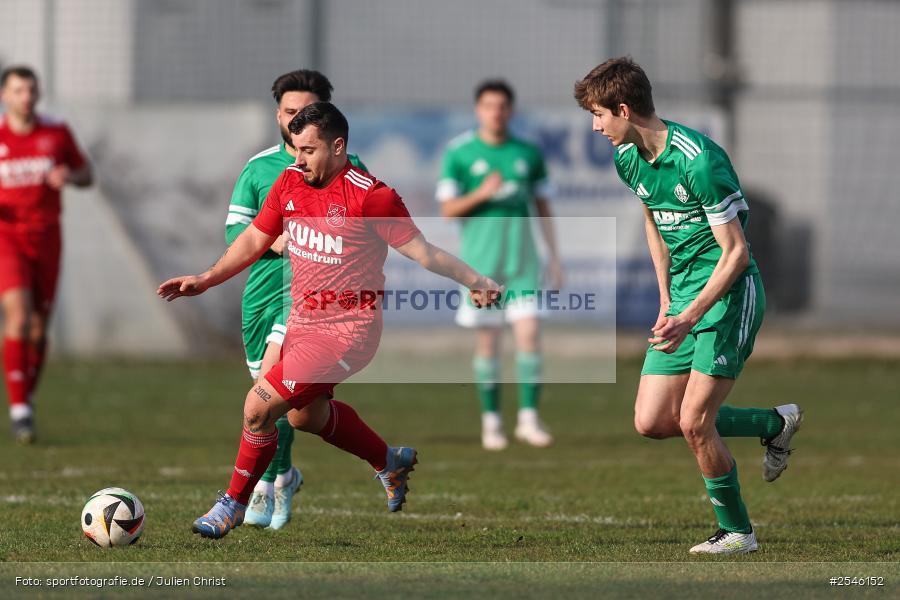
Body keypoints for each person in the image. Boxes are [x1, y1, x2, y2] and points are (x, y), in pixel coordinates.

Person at [159, 102, 501, 539]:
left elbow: (424, 251)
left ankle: (233, 505)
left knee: (258, 406)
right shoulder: (287, 183)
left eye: (307, 150)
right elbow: (253, 240)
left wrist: (475, 280)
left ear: (338, 147)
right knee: (304, 417)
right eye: (294, 149)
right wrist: (206, 279)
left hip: (347, 332)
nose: (297, 160)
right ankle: (388, 460)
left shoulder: (372, 196)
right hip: (303, 323)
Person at [574, 57, 803, 554]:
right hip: (682, 303)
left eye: (598, 115)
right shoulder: (628, 157)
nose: (594, 126)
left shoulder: (699, 161)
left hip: (727, 296)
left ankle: (739, 533)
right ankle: (773, 423)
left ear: (623, 108)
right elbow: (654, 223)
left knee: (695, 421)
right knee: (653, 422)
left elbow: (736, 254)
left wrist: (691, 314)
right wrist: (666, 303)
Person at [226, 69, 368, 530]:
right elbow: (236, 233)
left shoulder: (353, 171)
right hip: (264, 292)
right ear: (278, 115)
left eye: (304, 114)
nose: (294, 123)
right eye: (289, 114)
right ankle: (283, 473)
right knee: (283, 403)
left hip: (315, 301)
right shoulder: (259, 169)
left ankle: (265, 487)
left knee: (270, 386)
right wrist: (272, 241)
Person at [436, 79, 561, 451]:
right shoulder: (460, 153)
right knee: (489, 343)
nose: (496, 112)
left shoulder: (527, 153)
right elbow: (447, 209)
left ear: (511, 110)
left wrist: (554, 256)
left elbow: (542, 206)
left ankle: (528, 419)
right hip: (481, 266)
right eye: (489, 106)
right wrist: (481, 193)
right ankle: (491, 422)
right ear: (479, 110)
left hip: (523, 261)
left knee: (529, 336)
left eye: (503, 106)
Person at [0, 66, 92, 443]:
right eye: (19, 90)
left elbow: (88, 173)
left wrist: (68, 176)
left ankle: (27, 394)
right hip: (6, 237)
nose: (26, 97)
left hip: (47, 237)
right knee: (18, 317)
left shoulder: (55, 132)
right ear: (5, 95)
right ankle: (20, 410)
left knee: (38, 328)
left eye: (31, 90)